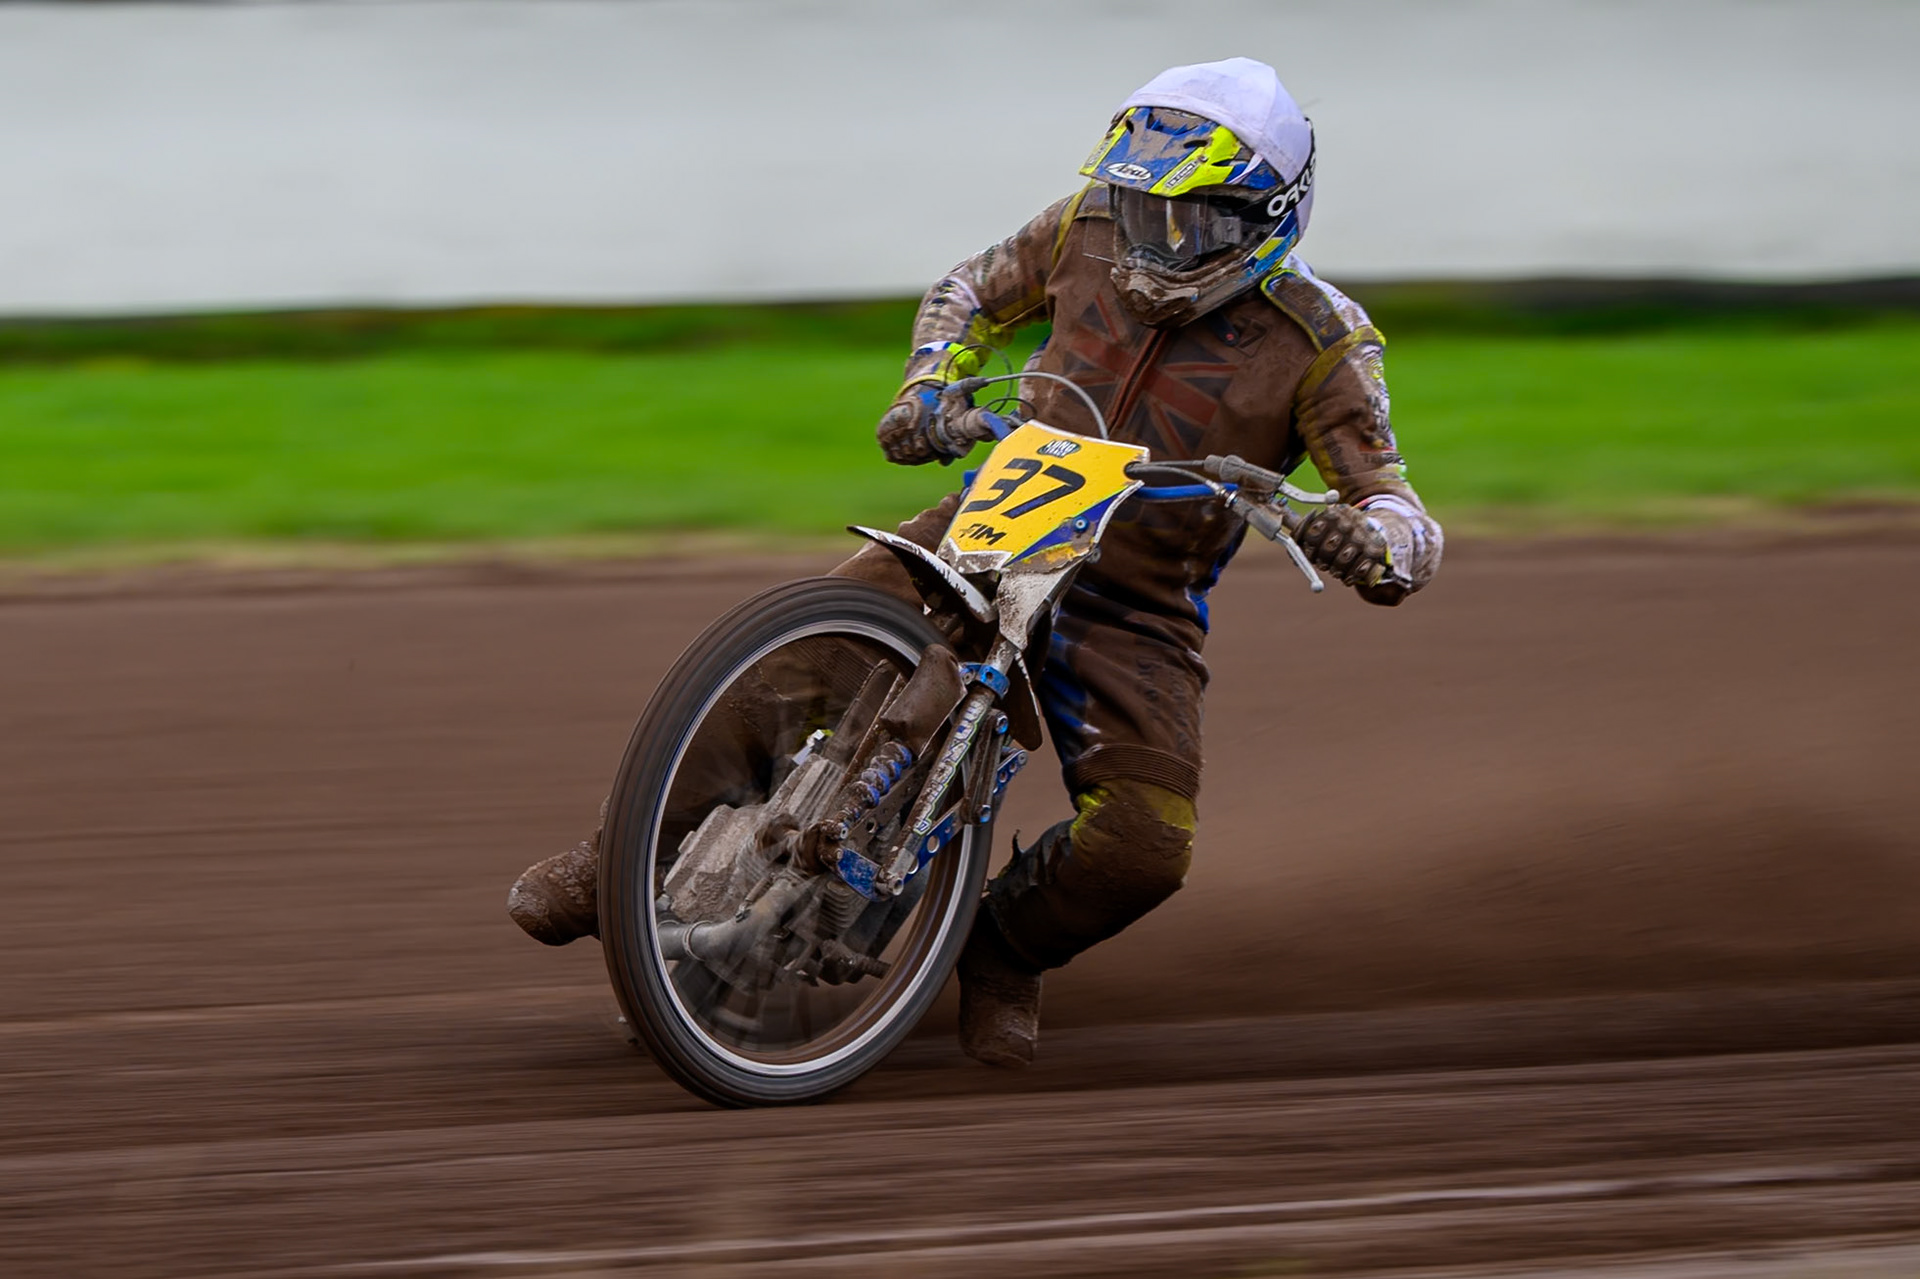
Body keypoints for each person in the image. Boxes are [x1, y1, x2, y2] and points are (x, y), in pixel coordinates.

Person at [508, 57, 1443, 1069]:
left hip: (1133, 606)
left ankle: (998, 951)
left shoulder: (1325, 341)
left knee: (1147, 843)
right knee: (780, 663)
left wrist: (1369, 541)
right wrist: (928, 389)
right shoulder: (1084, 225)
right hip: (985, 525)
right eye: (1137, 206)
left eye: (1188, 221)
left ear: (1265, 216)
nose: (1147, 237)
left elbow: (1401, 514)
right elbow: (967, 288)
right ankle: (619, 859)